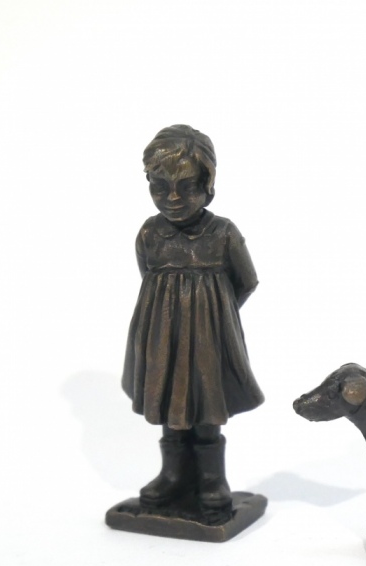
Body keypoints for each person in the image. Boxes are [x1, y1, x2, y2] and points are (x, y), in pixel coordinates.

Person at [122, 125, 264, 514]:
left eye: (187, 187)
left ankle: (211, 478)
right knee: (170, 403)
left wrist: (215, 316)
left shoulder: (223, 233)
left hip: (207, 341)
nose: (173, 198)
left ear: (208, 185)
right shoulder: (150, 233)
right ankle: (173, 474)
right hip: (161, 339)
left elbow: (246, 281)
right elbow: (148, 277)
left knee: (206, 407)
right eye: (160, 187)